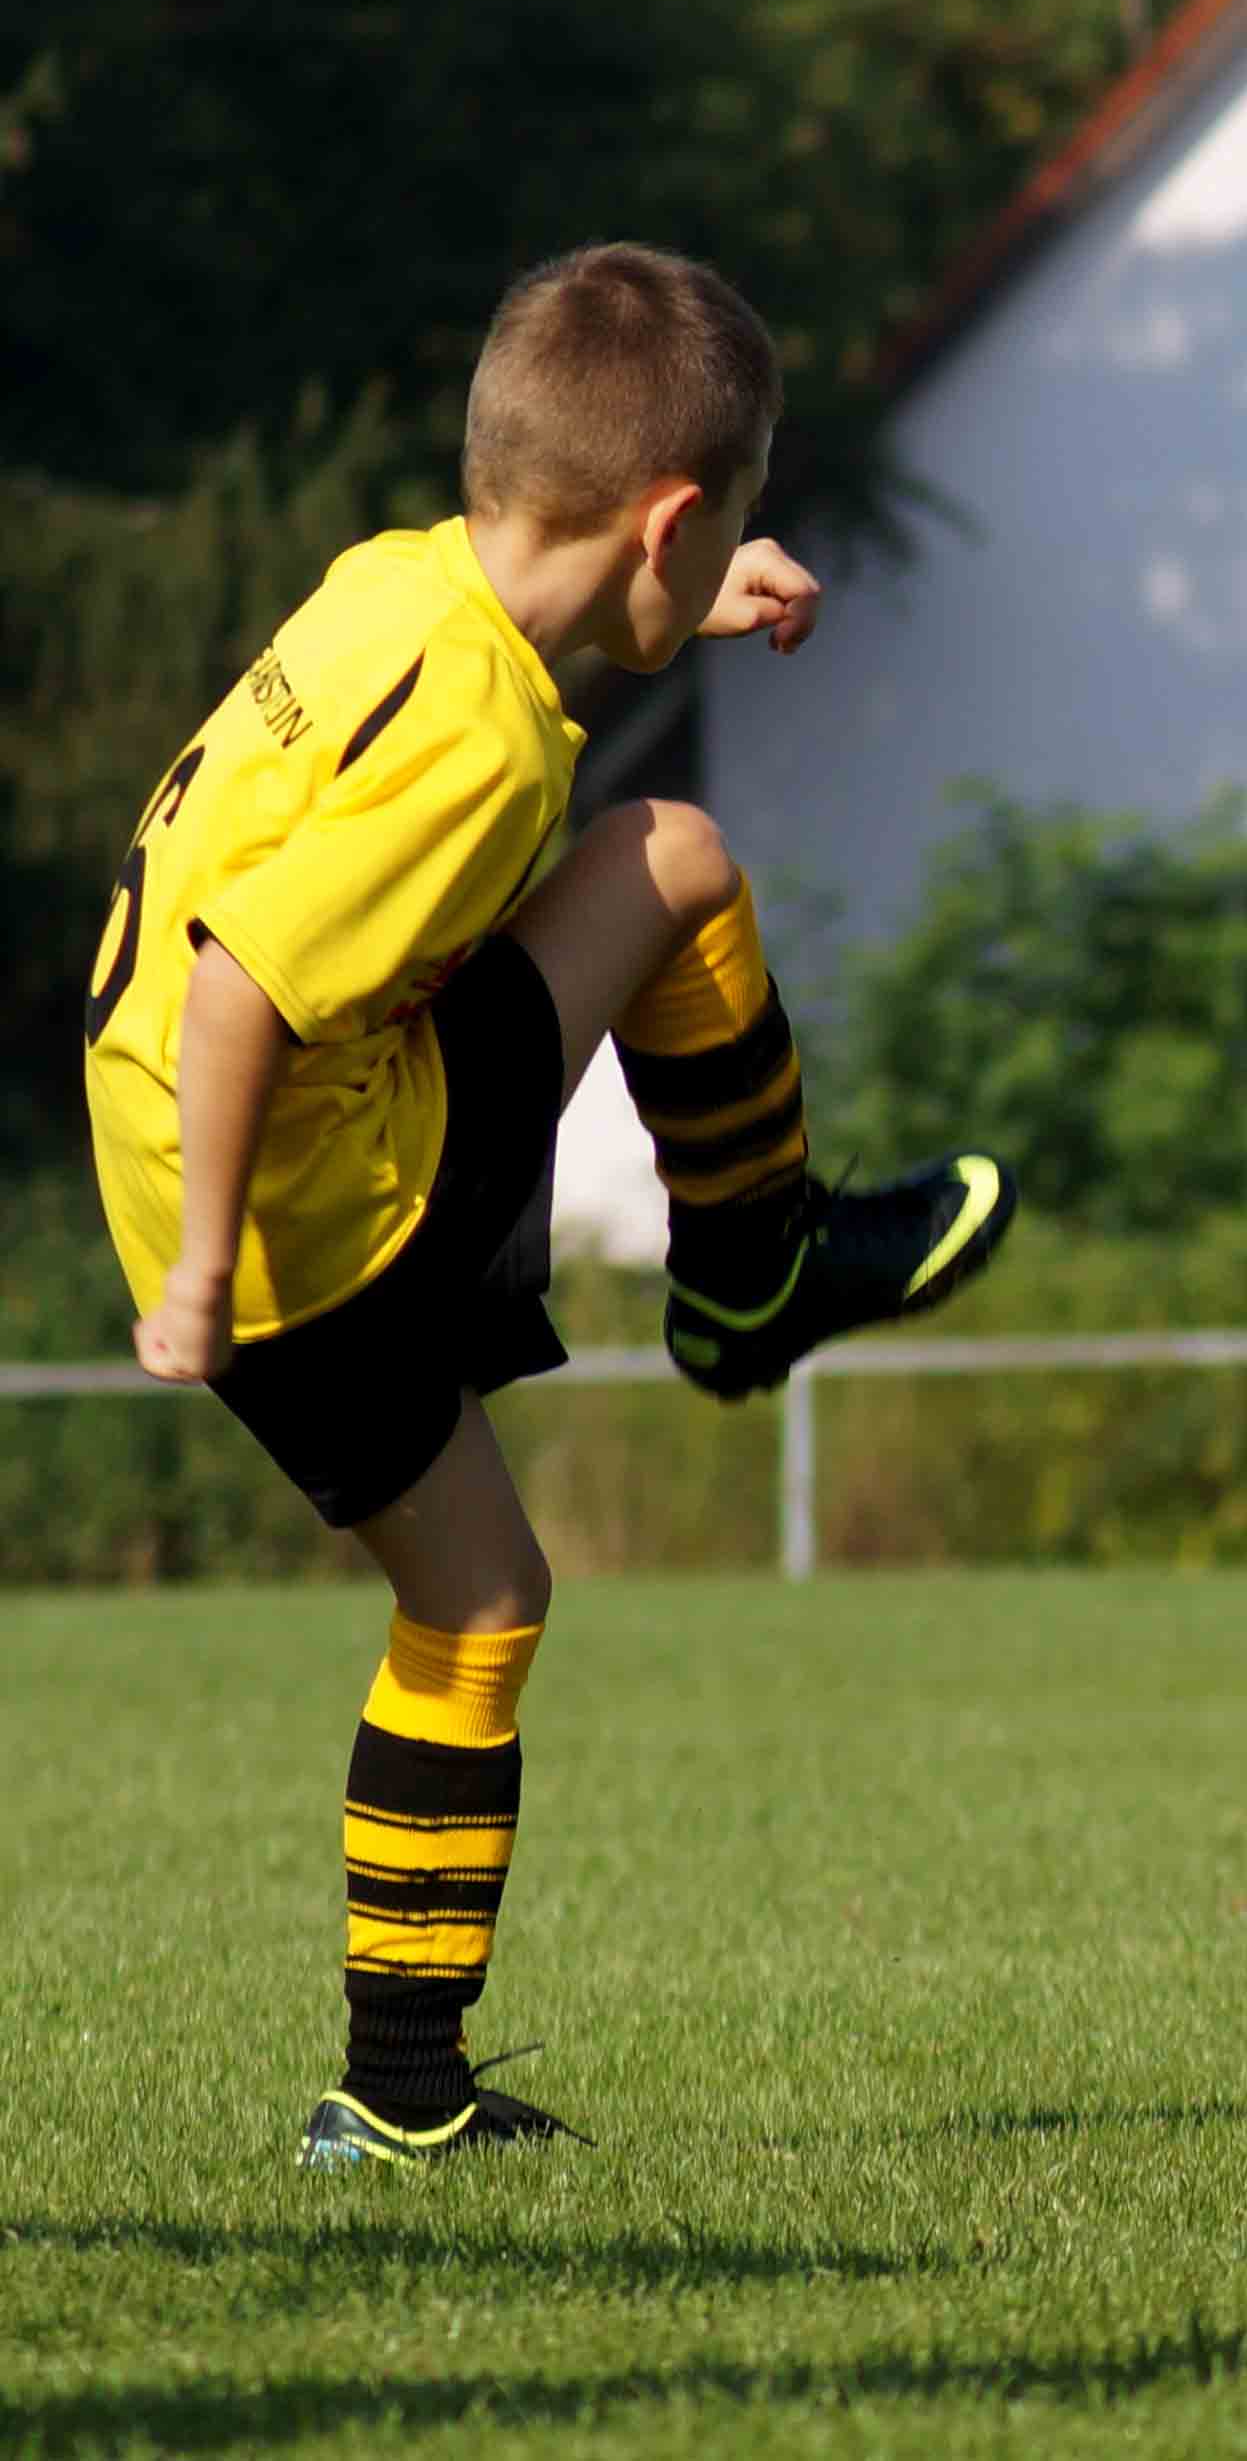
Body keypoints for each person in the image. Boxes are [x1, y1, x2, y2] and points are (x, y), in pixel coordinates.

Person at [79, 242, 1017, 2168]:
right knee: (670, 855)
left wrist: (687, 589)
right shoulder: (489, 745)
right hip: (322, 1201)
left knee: (482, 1598)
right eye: (725, 526)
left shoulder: (396, 582)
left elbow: (375, 776)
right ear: (667, 519)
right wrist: (200, 1280)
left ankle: (398, 2099)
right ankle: (754, 1271)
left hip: (184, 1169)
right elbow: (251, 980)